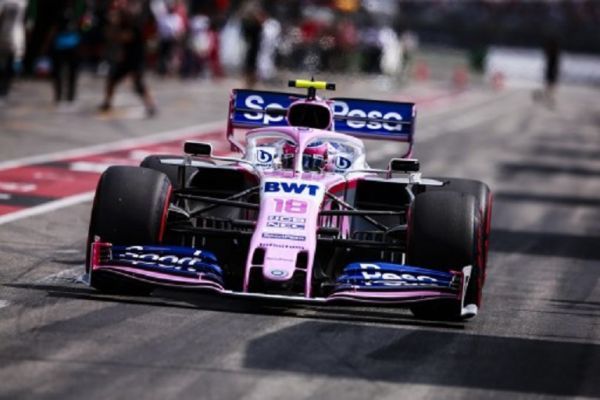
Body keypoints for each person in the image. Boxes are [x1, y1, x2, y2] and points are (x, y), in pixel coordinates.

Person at [99, 0, 157, 117]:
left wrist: (115, 29)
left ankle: (150, 105)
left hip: (137, 59)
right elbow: (111, 35)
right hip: (126, 59)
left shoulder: (136, 23)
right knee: (112, 79)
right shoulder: (123, 22)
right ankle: (107, 102)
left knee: (138, 84)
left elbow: (125, 37)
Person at [45, 0, 85, 107]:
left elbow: (53, 30)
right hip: (68, 45)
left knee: (63, 72)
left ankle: (63, 96)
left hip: (65, 45)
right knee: (68, 72)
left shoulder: (74, 13)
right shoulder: (75, 13)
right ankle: (67, 96)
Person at [0, 0, 25, 102]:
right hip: (15, 35)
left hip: (7, 34)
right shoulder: (22, 2)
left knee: (7, 63)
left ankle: (4, 88)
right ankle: (5, 88)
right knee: (10, 62)